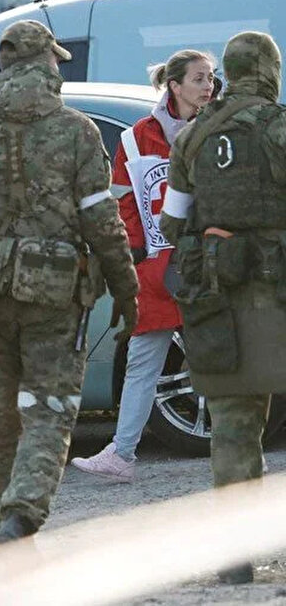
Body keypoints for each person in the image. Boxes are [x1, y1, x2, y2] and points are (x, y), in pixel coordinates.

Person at [0, 20, 138, 544]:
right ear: (47, 63)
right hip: (55, 290)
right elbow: (102, 222)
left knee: (0, 412)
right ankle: (23, 511)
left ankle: (5, 517)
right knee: (48, 407)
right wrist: (127, 291)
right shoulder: (76, 130)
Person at [160, 31, 286, 585]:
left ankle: (236, 556)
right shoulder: (280, 127)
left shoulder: (191, 137)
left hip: (217, 293)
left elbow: (170, 223)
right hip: (278, 290)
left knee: (234, 424)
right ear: (270, 70)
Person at [71, 50, 215, 482]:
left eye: (211, 78)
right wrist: (132, 248)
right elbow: (125, 198)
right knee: (143, 359)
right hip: (158, 266)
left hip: (210, 260)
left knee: (222, 357)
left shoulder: (218, 127)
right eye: (199, 78)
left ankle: (239, 448)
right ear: (174, 85)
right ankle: (123, 453)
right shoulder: (135, 138)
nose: (208, 86)